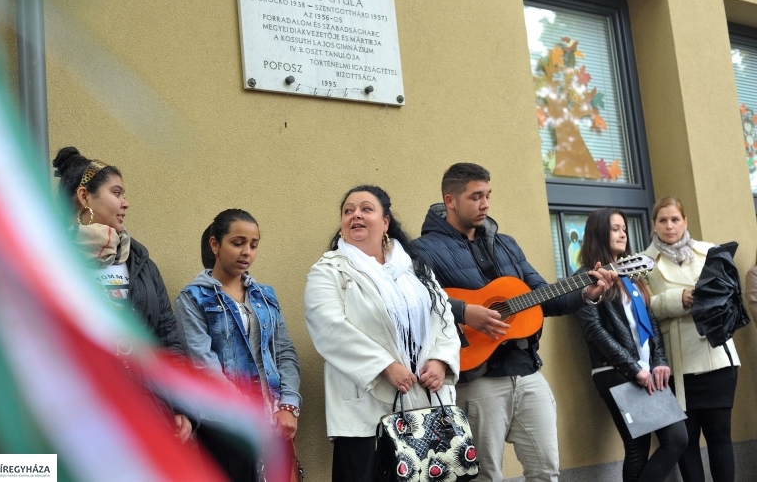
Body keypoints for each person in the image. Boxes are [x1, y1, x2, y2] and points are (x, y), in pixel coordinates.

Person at [411, 163, 615, 482]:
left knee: (546, 470)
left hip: (528, 372)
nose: (485, 204)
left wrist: (585, 293)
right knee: (485, 475)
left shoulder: (506, 244)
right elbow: (416, 303)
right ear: (449, 200)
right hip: (477, 379)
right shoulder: (422, 250)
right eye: (475, 196)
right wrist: (466, 312)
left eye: (488, 195)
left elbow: (543, 297)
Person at [304, 185, 461, 482]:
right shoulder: (328, 270)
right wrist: (384, 366)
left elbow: (444, 318)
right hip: (365, 413)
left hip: (425, 407)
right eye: (348, 210)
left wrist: (441, 361)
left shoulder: (415, 268)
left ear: (385, 222)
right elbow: (328, 327)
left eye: (366, 208)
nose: (356, 215)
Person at [52, 146, 196, 442]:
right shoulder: (51, 260)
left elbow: (167, 336)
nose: (125, 203)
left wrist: (182, 405)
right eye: (116, 193)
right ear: (84, 197)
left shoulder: (140, 262)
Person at [174, 209, 302, 481]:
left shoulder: (265, 295)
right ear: (215, 244)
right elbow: (203, 364)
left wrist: (288, 406)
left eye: (253, 245)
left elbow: (285, 353)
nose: (247, 252)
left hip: (274, 421)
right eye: (238, 242)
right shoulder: (192, 298)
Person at [576, 208, 688, 482]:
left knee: (673, 439)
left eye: (624, 228)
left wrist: (659, 361)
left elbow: (650, 323)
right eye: (615, 228)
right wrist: (632, 369)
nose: (623, 233)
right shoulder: (586, 277)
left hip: (644, 369)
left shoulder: (631, 274)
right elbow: (594, 331)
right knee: (648, 445)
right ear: (599, 233)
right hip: (615, 372)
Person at [643, 196, 740, 482]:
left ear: (685, 221)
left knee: (720, 435)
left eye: (675, 219)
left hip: (716, 357)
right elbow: (643, 309)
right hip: (677, 364)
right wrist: (678, 299)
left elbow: (730, 296)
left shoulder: (709, 251)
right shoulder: (643, 262)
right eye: (663, 220)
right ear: (654, 225)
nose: (669, 226)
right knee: (687, 442)